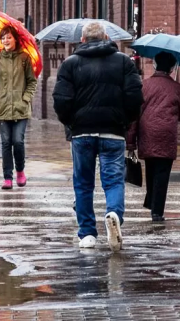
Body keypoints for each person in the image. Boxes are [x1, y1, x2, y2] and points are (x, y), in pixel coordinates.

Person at [53, 21, 143, 252]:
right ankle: (113, 213)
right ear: (105, 37)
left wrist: (71, 123)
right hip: (113, 131)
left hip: (82, 132)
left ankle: (87, 234)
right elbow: (135, 97)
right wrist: (125, 121)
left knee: (83, 184)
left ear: (82, 40)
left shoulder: (70, 64)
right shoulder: (123, 62)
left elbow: (61, 100)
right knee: (113, 180)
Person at [128, 52, 180, 222]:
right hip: (167, 134)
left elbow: (135, 115)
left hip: (147, 132)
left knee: (151, 168)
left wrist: (130, 142)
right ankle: (157, 211)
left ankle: (152, 202)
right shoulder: (178, 88)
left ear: (155, 65)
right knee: (163, 172)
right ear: (171, 68)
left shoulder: (144, 86)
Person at [0, 27, 37, 190]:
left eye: (8, 37)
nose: (5, 41)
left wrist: (25, 99)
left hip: (20, 108)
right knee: (6, 143)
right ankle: (7, 177)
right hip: (4, 108)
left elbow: (32, 82)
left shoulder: (25, 58)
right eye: (3, 38)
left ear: (15, 39)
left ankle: (20, 171)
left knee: (18, 141)